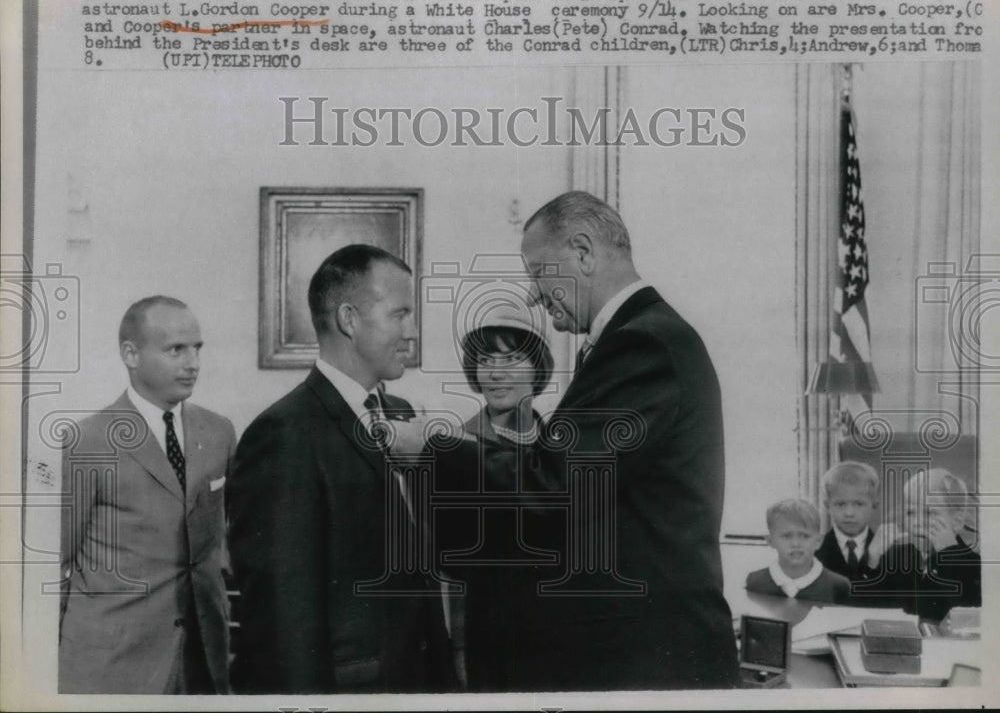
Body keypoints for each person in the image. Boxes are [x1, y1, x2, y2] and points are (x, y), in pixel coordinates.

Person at [394, 191, 738, 690]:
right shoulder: (642, 337)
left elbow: (554, 482)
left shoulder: (641, 344)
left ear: (582, 252)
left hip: (646, 658)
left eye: (538, 273)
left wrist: (429, 445)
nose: (533, 294)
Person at [226, 244, 453, 693]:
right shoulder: (283, 434)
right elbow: (282, 622)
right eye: (400, 314)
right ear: (349, 319)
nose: (413, 332)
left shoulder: (402, 412)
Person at [59, 296, 235, 694]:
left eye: (197, 348)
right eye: (176, 349)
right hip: (112, 669)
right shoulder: (87, 442)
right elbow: (55, 565)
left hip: (203, 661)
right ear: (131, 354)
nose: (193, 363)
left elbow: (226, 544)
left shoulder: (218, 432)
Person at [448, 307, 556, 691]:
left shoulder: (563, 444)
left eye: (511, 359)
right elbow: (450, 572)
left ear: (537, 367)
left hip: (563, 638)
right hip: (491, 642)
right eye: (484, 361)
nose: (496, 373)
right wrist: (459, 649)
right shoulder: (458, 450)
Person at [862, 468, 981, 621]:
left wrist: (949, 555)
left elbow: (968, 617)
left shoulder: (973, 565)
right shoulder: (898, 556)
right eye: (910, 513)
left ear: (957, 521)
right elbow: (867, 608)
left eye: (930, 513)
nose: (916, 523)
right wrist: (872, 560)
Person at [746, 499, 850, 604]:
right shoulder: (755, 582)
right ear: (770, 541)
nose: (796, 543)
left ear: (818, 541)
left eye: (805, 536)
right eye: (787, 536)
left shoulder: (838, 586)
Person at [814, 461, 879, 585]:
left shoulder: (888, 552)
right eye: (840, 504)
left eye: (858, 504)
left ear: (874, 506)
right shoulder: (813, 552)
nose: (849, 513)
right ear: (827, 506)